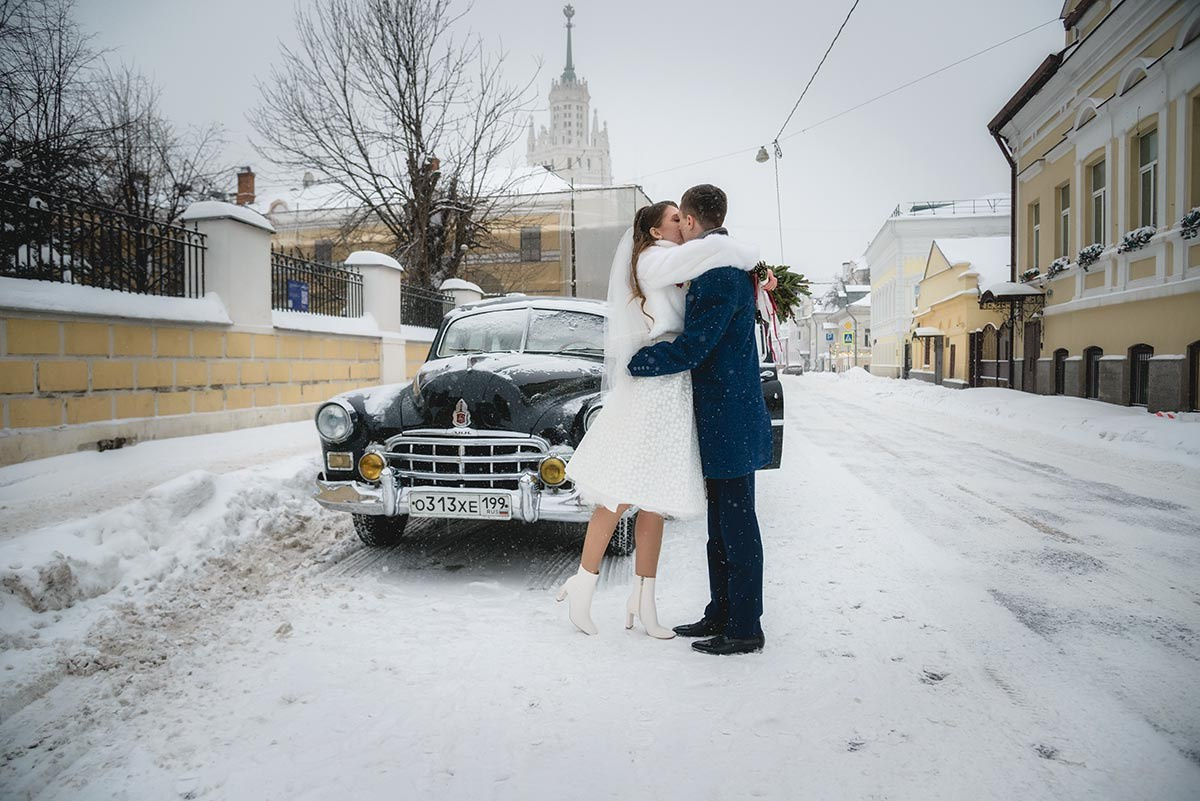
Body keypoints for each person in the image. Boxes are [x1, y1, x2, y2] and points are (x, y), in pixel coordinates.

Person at [555, 199, 760, 637]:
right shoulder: (653, 259)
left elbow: (704, 265)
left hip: (673, 379)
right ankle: (583, 584)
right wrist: (750, 259)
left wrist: (758, 277)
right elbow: (709, 251)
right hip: (656, 372)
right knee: (622, 486)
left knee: (655, 495)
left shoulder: (673, 262)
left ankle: (643, 601)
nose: (682, 228)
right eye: (673, 220)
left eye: (683, 219)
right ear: (654, 232)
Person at [627, 184, 773, 656]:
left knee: (736, 525)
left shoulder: (717, 274)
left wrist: (639, 363)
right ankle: (722, 611)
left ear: (690, 222)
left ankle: (745, 627)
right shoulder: (730, 267)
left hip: (727, 416)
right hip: (729, 413)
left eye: (680, 221)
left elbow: (696, 347)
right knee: (723, 523)